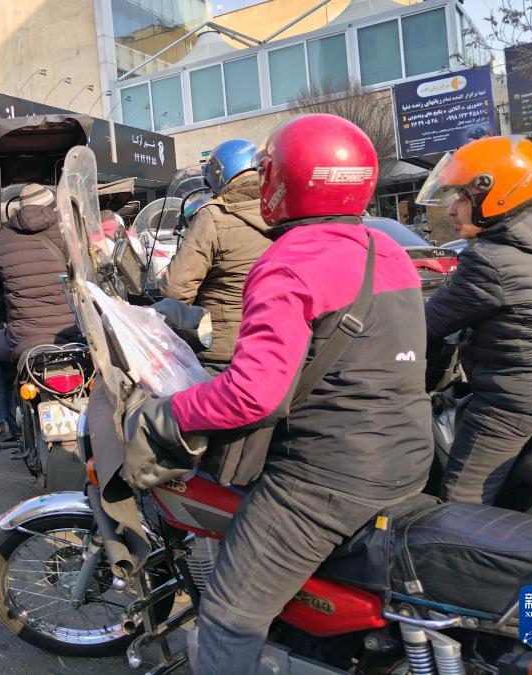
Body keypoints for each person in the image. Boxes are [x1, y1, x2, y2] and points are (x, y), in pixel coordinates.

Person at [123, 115, 433, 674]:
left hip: (324, 479)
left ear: (288, 181)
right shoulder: (386, 250)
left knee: (228, 613)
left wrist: (168, 413)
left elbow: (254, 394)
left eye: (270, 171)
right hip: (408, 455)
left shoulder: (290, 262)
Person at [418, 135, 532, 504]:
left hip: (515, 406)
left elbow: (424, 325)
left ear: (497, 195)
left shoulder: (489, 260)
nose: (451, 210)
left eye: (462, 197)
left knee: (461, 500)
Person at [0, 183, 83, 446]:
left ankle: (3, 422)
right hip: (72, 333)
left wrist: (8, 315)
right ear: (51, 205)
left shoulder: (0, 240)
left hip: (24, 337)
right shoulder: (69, 232)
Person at [160, 139, 271, 372]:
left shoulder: (214, 216)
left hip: (226, 352)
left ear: (219, 173)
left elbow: (175, 290)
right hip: (281, 345)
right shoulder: (281, 209)